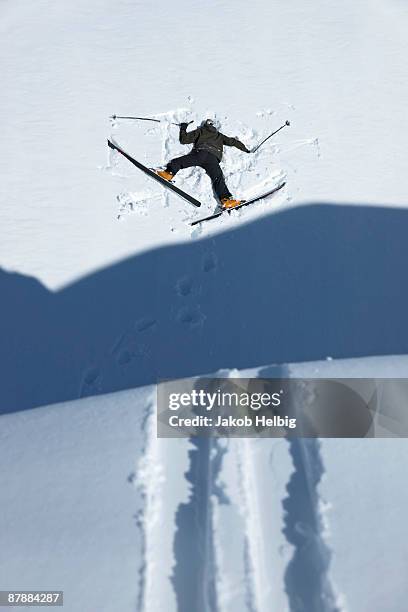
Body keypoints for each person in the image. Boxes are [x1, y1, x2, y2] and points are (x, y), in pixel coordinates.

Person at [155, 119, 251, 208]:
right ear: (214, 127)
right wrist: (246, 150)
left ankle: (168, 173)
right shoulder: (219, 135)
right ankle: (226, 200)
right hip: (213, 159)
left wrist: (183, 128)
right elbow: (233, 142)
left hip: (201, 154)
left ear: (205, 125)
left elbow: (184, 140)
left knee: (179, 162)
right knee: (218, 178)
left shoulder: (201, 131)